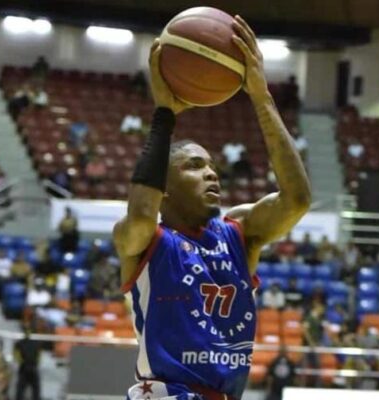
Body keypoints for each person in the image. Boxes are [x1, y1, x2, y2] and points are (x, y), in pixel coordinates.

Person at [113, 16, 311, 400]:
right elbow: (141, 212)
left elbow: (296, 200)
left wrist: (261, 98)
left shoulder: (238, 233)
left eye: (212, 166)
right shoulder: (146, 241)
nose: (211, 173)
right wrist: (164, 115)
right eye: (194, 166)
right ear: (163, 189)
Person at [14, 324, 42, 400]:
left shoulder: (20, 343)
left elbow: (16, 356)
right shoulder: (20, 343)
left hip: (28, 367)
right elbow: (39, 356)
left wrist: (23, 362)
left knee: (31, 388)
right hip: (28, 367)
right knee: (23, 388)